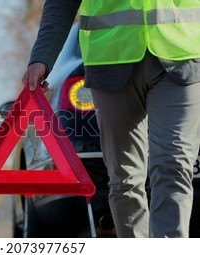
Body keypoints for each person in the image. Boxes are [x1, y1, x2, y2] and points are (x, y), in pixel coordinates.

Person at [22, 0, 200, 238]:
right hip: (111, 60)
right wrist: (41, 58)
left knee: (173, 164)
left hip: (181, 55)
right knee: (124, 179)